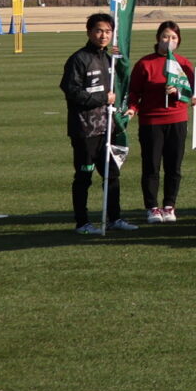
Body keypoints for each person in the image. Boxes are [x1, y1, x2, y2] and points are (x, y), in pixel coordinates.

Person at [62, 12, 130, 233]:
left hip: (108, 128)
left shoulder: (110, 59)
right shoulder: (79, 59)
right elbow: (71, 91)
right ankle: (82, 222)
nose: (103, 35)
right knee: (84, 176)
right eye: (99, 31)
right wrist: (102, 98)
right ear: (89, 32)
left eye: (108, 31)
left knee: (112, 175)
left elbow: (120, 87)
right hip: (85, 130)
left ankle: (114, 218)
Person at [127, 20, 195, 224]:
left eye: (173, 37)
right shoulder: (145, 64)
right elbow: (134, 92)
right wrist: (132, 108)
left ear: (179, 40)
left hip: (177, 119)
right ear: (158, 38)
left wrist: (177, 92)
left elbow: (192, 93)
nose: (169, 41)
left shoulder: (183, 64)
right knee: (151, 166)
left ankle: (169, 205)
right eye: (165, 36)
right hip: (151, 121)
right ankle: (152, 207)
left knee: (174, 166)